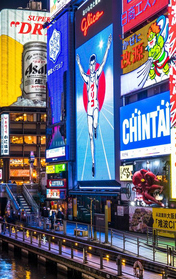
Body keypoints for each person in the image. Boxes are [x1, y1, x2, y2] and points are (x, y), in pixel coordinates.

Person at [76, 33, 112, 177]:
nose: (91, 66)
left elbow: (103, 62)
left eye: (92, 64)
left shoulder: (96, 75)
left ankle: (96, 128)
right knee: (90, 136)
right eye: (90, 64)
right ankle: (92, 163)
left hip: (95, 105)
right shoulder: (87, 77)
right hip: (89, 109)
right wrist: (79, 63)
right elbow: (80, 73)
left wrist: (108, 46)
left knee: (95, 125)